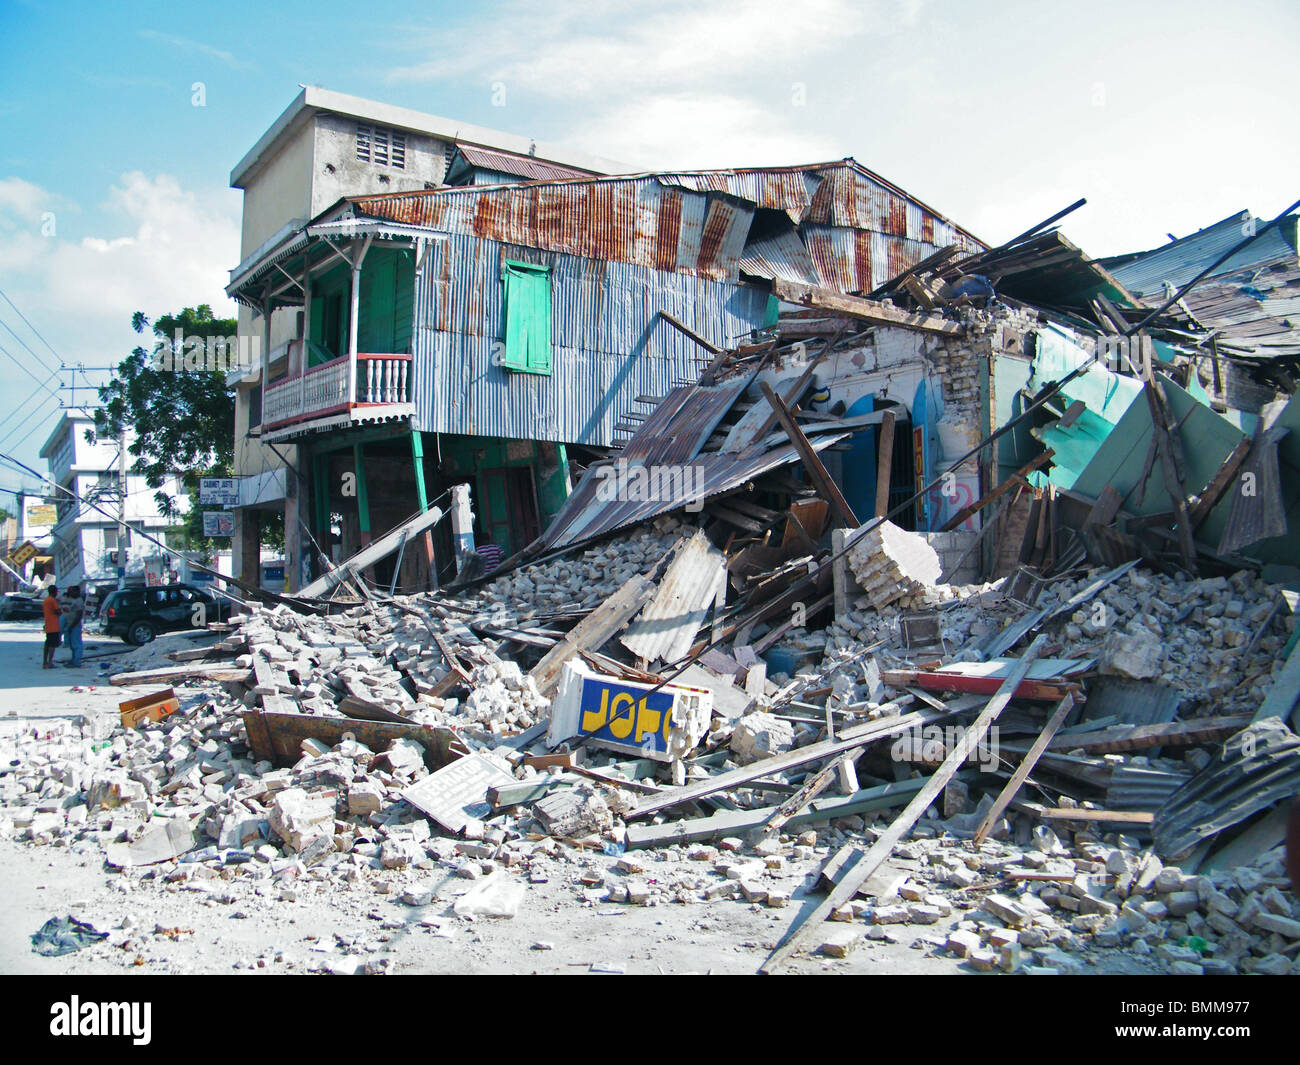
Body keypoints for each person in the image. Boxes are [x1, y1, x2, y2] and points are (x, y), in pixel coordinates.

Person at [59, 584, 85, 668]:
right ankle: (73, 660)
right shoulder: (72, 599)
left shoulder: (79, 601)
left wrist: (72, 626)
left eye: (73, 591)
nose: (71, 593)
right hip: (70, 624)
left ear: (77, 592)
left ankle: (77, 662)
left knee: (77, 644)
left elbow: (79, 615)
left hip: (75, 625)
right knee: (73, 645)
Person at [41, 585, 61, 669]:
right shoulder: (53, 601)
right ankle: (50, 662)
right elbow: (58, 612)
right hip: (54, 626)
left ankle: (45, 662)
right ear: (55, 592)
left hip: (48, 624)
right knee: (52, 645)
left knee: (47, 644)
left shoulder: (46, 600)